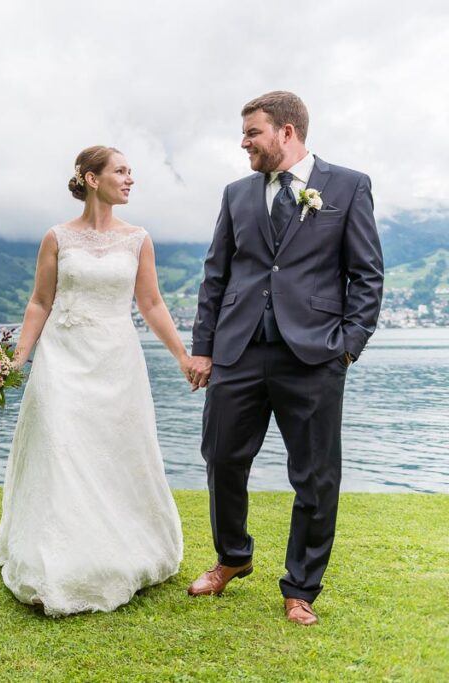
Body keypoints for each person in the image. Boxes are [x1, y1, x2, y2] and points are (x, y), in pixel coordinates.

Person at [186, 91, 384, 626]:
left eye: (252, 132)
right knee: (222, 457)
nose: (244, 142)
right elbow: (216, 275)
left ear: (287, 132)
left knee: (316, 476)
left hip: (315, 355)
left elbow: (366, 274)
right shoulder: (236, 194)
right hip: (237, 350)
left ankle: (301, 587)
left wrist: (348, 346)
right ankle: (233, 557)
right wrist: (203, 347)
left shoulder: (348, 185)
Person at [0, 145, 191, 616]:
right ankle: (53, 559)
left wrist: (182, 356)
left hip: (117, 361)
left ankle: (122, 546)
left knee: (115, 451)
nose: (130, 178)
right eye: (121, 170)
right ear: (92, 179)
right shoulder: (57, 237)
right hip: (61, 356)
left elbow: (153, 304)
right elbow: (40, 302)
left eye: (131, 171)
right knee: (61, 448)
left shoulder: (139, 238)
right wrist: (19, 358)